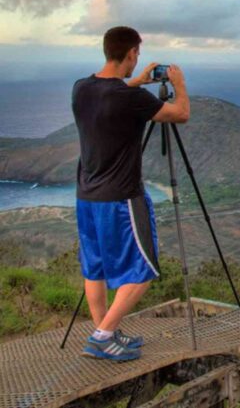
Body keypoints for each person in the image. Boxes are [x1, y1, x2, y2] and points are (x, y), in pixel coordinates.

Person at [72, 26, 190, 361]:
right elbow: (181, 114)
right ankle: (103, 336)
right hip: (121, 197)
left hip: (86, 196)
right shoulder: (130, 98)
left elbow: (109, 93)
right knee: (145, 269)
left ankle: (105, 334)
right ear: (132, 53)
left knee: (94, 269)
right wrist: (178, 85)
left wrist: (136, 81)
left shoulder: (81, 88)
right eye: (137, 53)